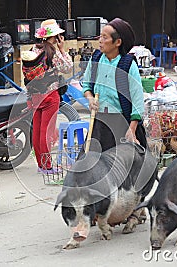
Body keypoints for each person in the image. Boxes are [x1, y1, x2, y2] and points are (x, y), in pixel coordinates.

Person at [82, 17, 146, 153]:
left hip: (120, 123)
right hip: (98, 121)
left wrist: (132, 129)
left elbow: (137, 101)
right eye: (100, 36)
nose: (100, 41)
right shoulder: (96, 59)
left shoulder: (128, 65)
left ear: (117, 42)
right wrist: (90, 98)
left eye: (105, 37)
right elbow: (86, 85)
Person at [28, 19, 73, 174]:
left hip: (34, 95)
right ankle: (47, 167)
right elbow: (68, 67)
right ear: (54, 37)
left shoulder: (34, 49)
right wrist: (62, 49)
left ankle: (41, 165)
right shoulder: (52, 52)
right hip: (50, 95)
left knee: (37, 131)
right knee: (46, 132)